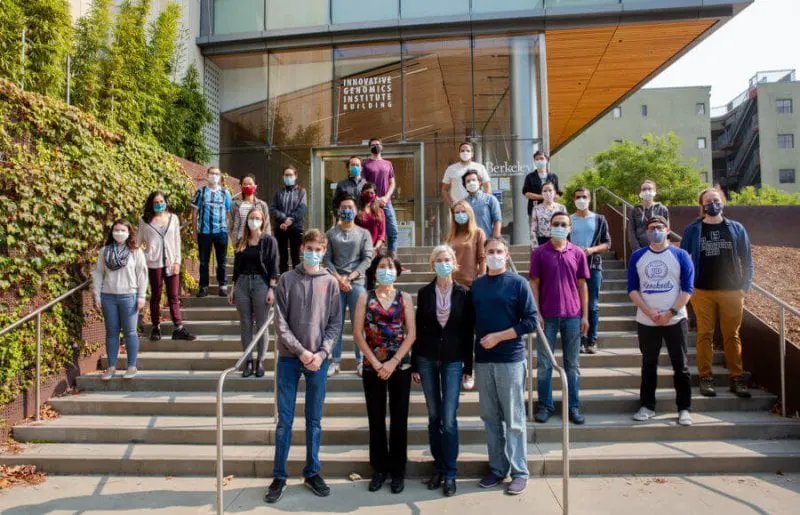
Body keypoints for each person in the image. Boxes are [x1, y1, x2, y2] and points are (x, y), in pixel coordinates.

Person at [266, 229, 342, 504]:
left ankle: (312, 472)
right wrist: (301, 352)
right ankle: (279, 475)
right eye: (309, 247)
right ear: (302, 248)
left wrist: (321, 353)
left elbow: (335, 322)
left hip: (318, 362)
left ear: (324, 252)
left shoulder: (330, 283)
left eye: (318, 249)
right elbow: (280, 322)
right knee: (284, 421)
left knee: (314, 420)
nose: (313, 253)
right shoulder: (286, 279)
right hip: (289, 359)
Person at [471, 238, 538, 496]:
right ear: (484, 255)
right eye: (490, 252)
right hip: (484, 362)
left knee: (514, 420)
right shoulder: (477, 286)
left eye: (499, 251)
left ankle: (520, 471)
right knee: (490, 418)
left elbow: (531, 321)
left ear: (507, 254)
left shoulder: (518, 283)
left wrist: (500, 336)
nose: (495, 255)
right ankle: (498, 468)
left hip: (510, 359)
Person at [411, 245, 474, 497]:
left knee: (448, 419)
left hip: (453, 360)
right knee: (433, 416)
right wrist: (415, 363)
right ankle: (437, 467)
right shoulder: (424, 292)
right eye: (438, 260)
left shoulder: (464, 293)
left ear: (454, 263)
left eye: (447, 259)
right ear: (432, 264)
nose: (443, 263)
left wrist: (468, 366)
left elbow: (469, 331)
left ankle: (450, 472)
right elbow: (417, 328)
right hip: (426, 358)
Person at [680, 187, 753, 399]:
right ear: (701, 205)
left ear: (722, 201)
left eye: (716, 199)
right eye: (708, 201)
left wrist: (744, 287)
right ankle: (706, 377)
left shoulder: (736, 228)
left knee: (732, 335)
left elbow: (747, 259)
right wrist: (688, 286)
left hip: (732, 290)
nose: (712, 204)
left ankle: (736, 378)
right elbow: (684, 258)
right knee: (705, 334)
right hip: (702, 290)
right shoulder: (693, 229)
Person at [353, 250, 416, 495]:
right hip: (373, 367)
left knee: (399, 420)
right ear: (375, 270)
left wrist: (394, 362)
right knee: (376, 419)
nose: (386, 270)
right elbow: (358, 333)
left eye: (390, 266)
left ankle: (398, 472)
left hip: (399, 367)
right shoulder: (364, 297)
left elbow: (411, 333)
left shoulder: (405, 298)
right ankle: (379, 470)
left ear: (397, 271)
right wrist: (376, 363)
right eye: (381, 266)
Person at [629, 216, 694, 426]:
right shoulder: (638, 256)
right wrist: (648, 312)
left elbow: (687, 289)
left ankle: (684, 408)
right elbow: (632, 289)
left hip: (675, 320)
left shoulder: (681, 255)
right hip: (647, 321)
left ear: (667, 229)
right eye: (651, 228)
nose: (655, 231)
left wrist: (671, 312)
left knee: (680, 365)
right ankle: (647, 406)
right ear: (646, 232)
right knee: (649, 364)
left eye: (659, 227)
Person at [529, 212, 589, 425]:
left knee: (572, 365)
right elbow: (534, 283)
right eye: (556, 224)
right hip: (548, 316)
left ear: (570, 228)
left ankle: (573, 406)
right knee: (545, 365)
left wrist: (585, 316)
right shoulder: (539, 253)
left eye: (564, 224)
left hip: (573, 316)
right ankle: (545, 405)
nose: (560, 227)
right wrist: (536, 312)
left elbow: (582, 284)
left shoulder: (578, 253)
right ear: (549, 227)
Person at [325, 194, 375, 377]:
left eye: (350, 207)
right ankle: (335, 361)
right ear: (338, 210)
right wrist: (339, 278)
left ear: (356, 211)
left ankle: (361, 361)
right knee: (335, 324)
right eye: (343, 207)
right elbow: (326, 259)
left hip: (357, 283)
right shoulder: (330, 234)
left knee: (359, 324)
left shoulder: (364, 234)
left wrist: (351, 277)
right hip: (335, 283)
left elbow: (367, 259)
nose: (346, 210)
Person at [93, 219, 148, 380]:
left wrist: (142, 296)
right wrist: (97, 295)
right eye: (116, 230)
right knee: (111, 332)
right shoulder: (105, 251)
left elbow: (142, 275)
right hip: (108, 296)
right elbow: (98, 273)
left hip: (129, 295)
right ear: (112, 232)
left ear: (129, 232)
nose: (119, 233)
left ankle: (131, 366)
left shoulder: (135, 252)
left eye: (122, 230)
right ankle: (111, 367)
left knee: (130, 331)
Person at [137, 191, 195, 342]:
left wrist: (177, 261)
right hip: (154, 263)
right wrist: (145, 256)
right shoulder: (144, 220)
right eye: (156, 202)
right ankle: (156, 327)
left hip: (171, 263)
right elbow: (138, 243)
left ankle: (179, 328)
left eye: (161, 201)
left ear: (166, 202)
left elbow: (177, 241)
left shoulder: (173, 218)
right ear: (151, 204)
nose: (159, 204)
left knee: (173, 296)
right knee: (156, 295)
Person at [228, 207, 279, 378]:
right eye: (251, 217)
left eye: (257, 218)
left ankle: (260, 361)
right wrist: (233, 288)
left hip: (261, 284)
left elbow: (273, 266)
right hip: (242, 283)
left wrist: (272, 288)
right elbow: (236, 268)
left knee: (262, 325)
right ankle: (248, 361)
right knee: (246, 325)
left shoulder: (269, 241)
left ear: (263, 221)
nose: (254, 221)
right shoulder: (242, 241)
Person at [570, 187, 611, 354]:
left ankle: (592, 340)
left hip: (593, 266)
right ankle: (580, 339)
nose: (581, 199)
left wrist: (591, 250)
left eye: (584, 197)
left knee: (592, 305)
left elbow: (607, 244)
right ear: (574, 200)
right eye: (578, 197)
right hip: (572, 267)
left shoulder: (599, 219)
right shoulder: (568, 219)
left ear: (589, 199)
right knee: (575, 304)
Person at [191, 166, 232, 297]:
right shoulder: (201, 192)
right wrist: (194, 231)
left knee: (222, 261)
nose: (214, 176)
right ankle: (203, 287)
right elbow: (194, 212)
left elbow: (228, 213)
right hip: (204, 232)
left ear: (220, 177)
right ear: (207, 175)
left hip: (221, 232)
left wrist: (227, 230)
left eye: (217, 174)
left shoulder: (225, 193)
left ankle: (223, 286)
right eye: (212, 173)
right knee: (203, 261)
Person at [361, 138, 399, 254]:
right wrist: (376, 198)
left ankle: (392, 260)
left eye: (378, 144)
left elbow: (392, 182)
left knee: (393, 232)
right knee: (374, 232)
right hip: (371, 203)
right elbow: (363, 183)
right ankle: (375, 259)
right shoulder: (365, 163)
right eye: (373, 145)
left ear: (382, 146)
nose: (376, 146)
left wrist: (386, 197)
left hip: (386, 203)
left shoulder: (388, 164)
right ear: (369, 147)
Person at [270, 166, 307, 274]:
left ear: (295, 176)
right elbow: (273, 208)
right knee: (282, 256)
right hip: (280, 227)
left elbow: (302, 208)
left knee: (296, 256)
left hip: (296, 227)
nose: (288, 177)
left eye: (290, 175)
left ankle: (297, 279)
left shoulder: (301, 192)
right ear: (283, 177)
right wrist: (284, 218)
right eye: (286, 175)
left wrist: (290, 219)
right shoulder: (278, 193)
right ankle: (283, 279)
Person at [446, 200, 486, 290]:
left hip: (470, 283)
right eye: (457, 212)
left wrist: (481, 278)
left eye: (463, 211)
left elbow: (482, 258)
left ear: (469, 213)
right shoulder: (451, 236)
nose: (460, 214)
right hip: (452, 283)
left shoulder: (478, 233)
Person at [441, 142, 491, 206]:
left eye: (468, 151)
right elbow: (444, 189)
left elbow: (487, 186)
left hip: (477, 206)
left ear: (472, 154)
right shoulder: (451, 169)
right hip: (459, 208)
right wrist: (451, 205)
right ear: (459, 153)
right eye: (462, 151)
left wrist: (485, 203)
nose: (465, 153)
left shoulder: (480, 167)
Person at [628, 180, 669, 250]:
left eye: (649, 189)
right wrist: (637, 250)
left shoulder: (662, 209)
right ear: (640, 192)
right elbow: (631, 231)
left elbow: (667, 231)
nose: (647, 191)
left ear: (654, 191)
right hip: (640, 249)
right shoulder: (635, 210)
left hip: (659, 248)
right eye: (644, 189)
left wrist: (665, 247)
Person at [231, 174, 270, 247]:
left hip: (258, 241)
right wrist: (234, 239)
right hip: (240, 241)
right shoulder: (234, 205)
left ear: (255, 186)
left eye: (250, 184)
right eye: (245, 184)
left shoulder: (262, 205)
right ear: (241, 186)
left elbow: (267, 225)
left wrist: (266, 242)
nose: (248, 186)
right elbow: (231, 224)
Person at [463, 170, 502, 240]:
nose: (471, 183)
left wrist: (494, 240)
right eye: (468, 181)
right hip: (469, 242)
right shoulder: (463, 203)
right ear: (465, 185)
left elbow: (497, 221)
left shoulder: (490, 199)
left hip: (486, 240)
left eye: (474, 180)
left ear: (480, 182)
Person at [522, 150, 561, 220]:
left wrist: (543, 197)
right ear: (534, 161)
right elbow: (527, 194)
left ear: (547, 160)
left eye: (541, 158)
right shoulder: (530, 177)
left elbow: (558, 195)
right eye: (537, 159)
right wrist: (545, 197)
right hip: (534, 212)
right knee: (534, 230)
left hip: (552, 211)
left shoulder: (553, 177)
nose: (539, 161)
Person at [529, 181, 567, 248]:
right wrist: (535, 246)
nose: (548, 193)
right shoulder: (536, 209)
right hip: (542, 241)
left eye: (550, 190)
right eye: (545, 191)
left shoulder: (561, 208)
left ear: (554, 192)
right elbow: (533, 229)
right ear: (541, 193)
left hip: (558, 240)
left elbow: (566, 226)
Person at [356, 183, 386, 251]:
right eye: (367, 192)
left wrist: (376, 248)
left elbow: (382, 233)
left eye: (371, 193)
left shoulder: (380, 212)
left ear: (375, 195)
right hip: (358, 250)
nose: (369, 194)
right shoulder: (356, 211)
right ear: (362, 193)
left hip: (375, 250)